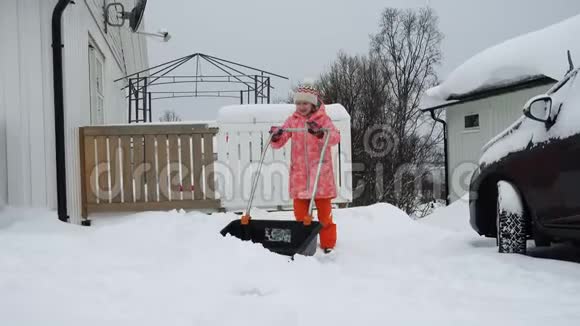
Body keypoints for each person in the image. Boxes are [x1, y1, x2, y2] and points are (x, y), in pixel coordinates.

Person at [269, 86, 341, 254]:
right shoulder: (292, 121)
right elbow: (281, 141)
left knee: (325, 216)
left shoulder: (323, 120)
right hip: (300, 177)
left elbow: (335, 137)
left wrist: (321, 133)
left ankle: (327, 243)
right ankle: (304, 240)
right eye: (298, 103)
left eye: (305, 103)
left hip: (320, 178)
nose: (301, 107)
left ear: (313, 103)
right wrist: (277, 135)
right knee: (300, 215)